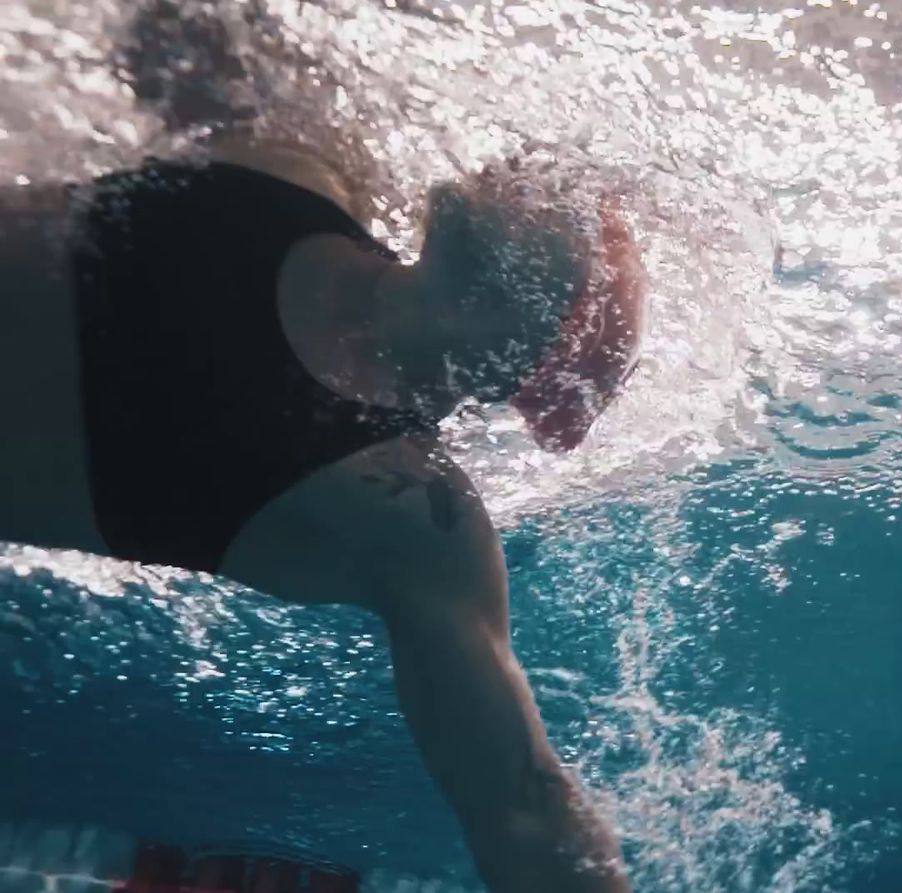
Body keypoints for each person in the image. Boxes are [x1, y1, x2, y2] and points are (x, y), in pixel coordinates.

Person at [0, 14, 642, 892]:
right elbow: (172, 30)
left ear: (525, 349)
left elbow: (523, 805)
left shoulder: (413, 519)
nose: (570, 196)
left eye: (587, 240)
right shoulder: (302, 167)